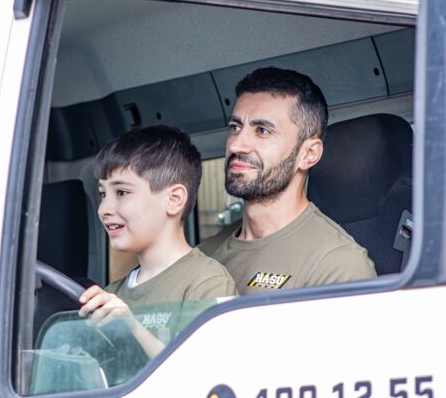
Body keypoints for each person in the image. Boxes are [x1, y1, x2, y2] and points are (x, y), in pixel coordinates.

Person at [198, 67, 376, 294]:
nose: (236, 145)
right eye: (235, 127)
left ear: (309, 154)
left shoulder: (338, 265)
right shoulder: (204, 255)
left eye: (262, 131)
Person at [78, 125, 237, 358]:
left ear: (174, 200)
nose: (104, 209)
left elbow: (201, 378)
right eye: (103, 194)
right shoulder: (113, 292)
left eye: (121, 192)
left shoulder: (207, 282)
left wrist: (131, 326)